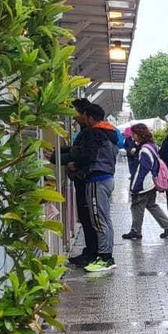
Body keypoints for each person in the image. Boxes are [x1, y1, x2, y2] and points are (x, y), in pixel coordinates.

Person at [65, 99, 119, 273]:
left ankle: (105, 258)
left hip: (97, 179)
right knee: (104, 218)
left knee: (98, 219)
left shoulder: (94, 133)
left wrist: (75, 165)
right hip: (107, 178)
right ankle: (105, 254)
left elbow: (88, 156)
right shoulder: (110, 132)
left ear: (88, 117)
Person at [123, 123, 168, 242]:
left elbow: (142, 170)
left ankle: (136, 231)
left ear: (139, 134)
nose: (133, 137)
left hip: (145, 184)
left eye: (134, 134)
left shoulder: (144, 150)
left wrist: (134, 187)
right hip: (153, 182)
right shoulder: (152, 146)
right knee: (151, 205)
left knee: (137, 205)